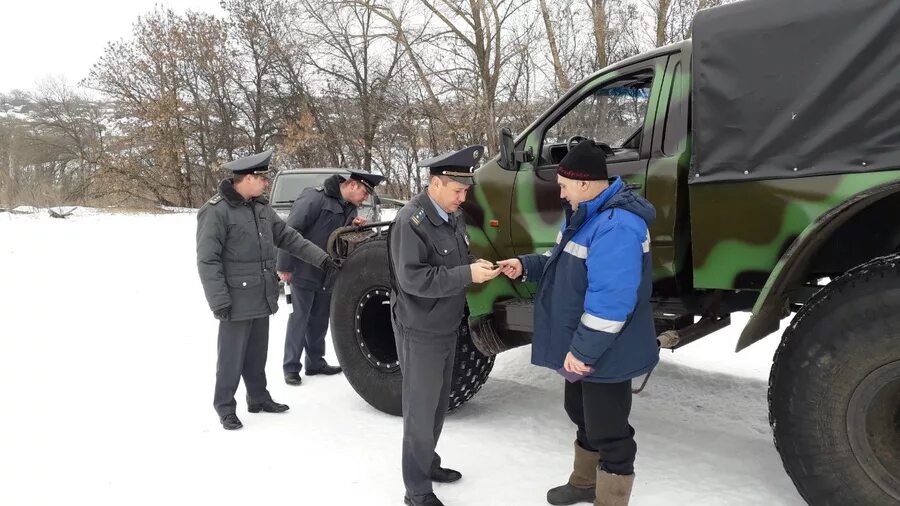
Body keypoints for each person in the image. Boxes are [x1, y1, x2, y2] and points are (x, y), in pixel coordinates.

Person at [497, 140, 658, 506]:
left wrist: (584, 352)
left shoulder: (617, 227)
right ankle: (585, 482)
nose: (561, 191)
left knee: (610, 431)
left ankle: (611, 499)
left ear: (584, 184)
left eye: (564, 184)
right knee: (581, 413)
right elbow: (562, 260)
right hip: (584, 348)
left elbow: (611, 302)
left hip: (605, 352)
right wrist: (526, 265)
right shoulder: (588, 215)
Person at [388, 145, 501, 506]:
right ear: (436, 183)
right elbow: (413, 279)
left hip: (445, 322)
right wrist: (466, 273)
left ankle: (427, 463)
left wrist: (480, 265)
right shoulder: (411, 221)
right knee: (421, 410)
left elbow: (456, 257)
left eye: (466, 190)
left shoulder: (451, 215)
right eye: (457, 190)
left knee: (437, 405)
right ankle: (417, 490)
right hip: (420, 328)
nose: (462, 197)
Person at [196, 149, 339, 431]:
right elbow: (207, 260)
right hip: (234, 299)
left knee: (257, 352)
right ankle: (225, 406)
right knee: (230, 357)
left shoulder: (260, 208)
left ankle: (258, 398)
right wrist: (218, 301)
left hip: (261, 293)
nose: (266, 184)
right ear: (248, 178)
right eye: (262, 179)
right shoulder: (216, 211)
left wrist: (322, 259)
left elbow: (289, 238)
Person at [277, 170, 386, 385]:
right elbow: (290, 231)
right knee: (300, 318)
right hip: (304, 268)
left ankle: (315, 362)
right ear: (352, 185)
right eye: (364, 192)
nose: (365, 198)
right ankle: (291, 367)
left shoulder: (350, 207)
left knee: (319, 319)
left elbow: (338, 236)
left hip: (328, 271)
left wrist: (354, 226)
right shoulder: (314, 197)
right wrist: (284, 266)